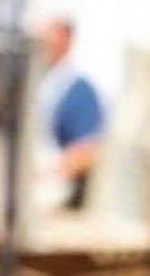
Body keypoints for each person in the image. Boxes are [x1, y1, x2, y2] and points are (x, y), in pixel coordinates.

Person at [34, 20, 104, 211]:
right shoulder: (39, 82)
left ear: (67, 39)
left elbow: (87, 149)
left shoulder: (77, 88)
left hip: (54, 192)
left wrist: (49, 175)